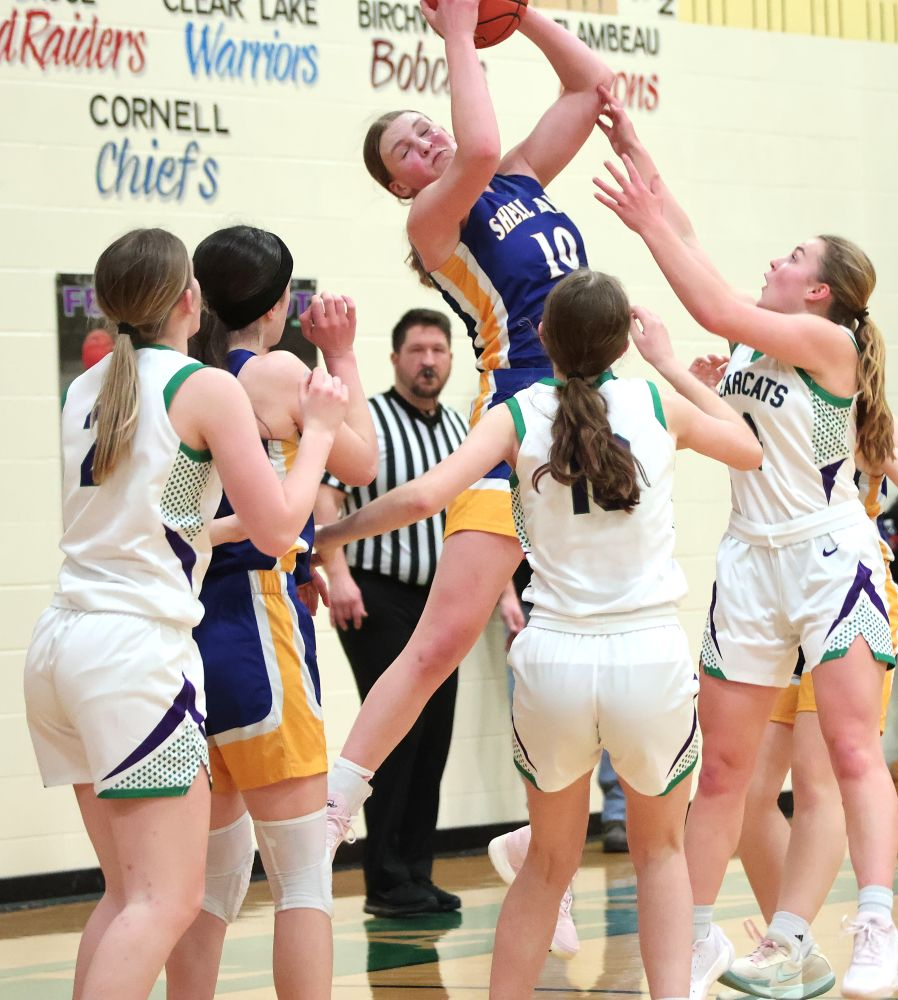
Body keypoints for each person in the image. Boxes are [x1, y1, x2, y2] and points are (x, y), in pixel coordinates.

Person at [317, 271, 762, 999]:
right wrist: (672, 365)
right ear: (622, 343)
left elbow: (425, 496)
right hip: (647, 657)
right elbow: (749, 447)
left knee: (547, 867)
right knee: (660, 855)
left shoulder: (517, 413)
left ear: (543, 336)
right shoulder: (657, 404)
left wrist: (329, 534)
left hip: (554, 659)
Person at [325, 11, 618, 951]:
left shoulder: (522, 176)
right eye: (407, 149)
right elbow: (479, 140)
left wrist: (519, 14)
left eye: (424, 127)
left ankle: (544, 847)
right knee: (442, 640)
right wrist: (459, 29)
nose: (428, 141)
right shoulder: (434, 221)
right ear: (401, 185)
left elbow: (591, 87)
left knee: (588, 640)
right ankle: (334, 806)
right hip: (515, 412)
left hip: (590, 414)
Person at [595, 147, 898, 996]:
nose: (776, 260)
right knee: (725, 771)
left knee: (849, 751)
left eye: (794, 256)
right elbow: (696, 249)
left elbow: (707, 296)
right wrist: (637, 155)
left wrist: (644, 224)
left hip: (828, 556)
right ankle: (698, 934)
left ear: (821, 291)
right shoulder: (751, 344)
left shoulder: (826, 342)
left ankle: (876, 924)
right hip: (749, 561)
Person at [24, 228, 348, 1000]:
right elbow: (280, 529)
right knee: (166, 901)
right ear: (187, 299)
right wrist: (320, 433)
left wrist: (218, 529)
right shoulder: (204, 388)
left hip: (61, 646)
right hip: (134, 657)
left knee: (127, 896)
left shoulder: (87, 387)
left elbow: (161, 517)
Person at [164, 227, 377, 1000]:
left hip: (191, 638)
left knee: (210, 884)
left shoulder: (187, 378)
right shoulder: (277, 370)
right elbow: (363, 461)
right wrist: (342, 355)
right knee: (303, 876)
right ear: (278, 303)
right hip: (261, 628)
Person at [728, 418, 898, 999]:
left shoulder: (858, 404)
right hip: (773, 601)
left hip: (844, 592)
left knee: (818, 779)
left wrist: (879, 446)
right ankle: (794, 950)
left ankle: (799, 936)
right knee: (746, 794)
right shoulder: (757, 392)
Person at [314, 308, 476, 916]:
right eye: (417, 350)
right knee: (394, 736)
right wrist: (337, 574)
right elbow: (328, 496)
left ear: (451, 359)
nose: (428, 361)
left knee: (434, 735)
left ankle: (416, 873)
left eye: (438, 350)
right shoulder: (371, 420)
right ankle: (384, 879)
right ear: (395, 358)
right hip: (375, 592)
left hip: (441, 599)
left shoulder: (460, 426)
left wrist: (503, 596)